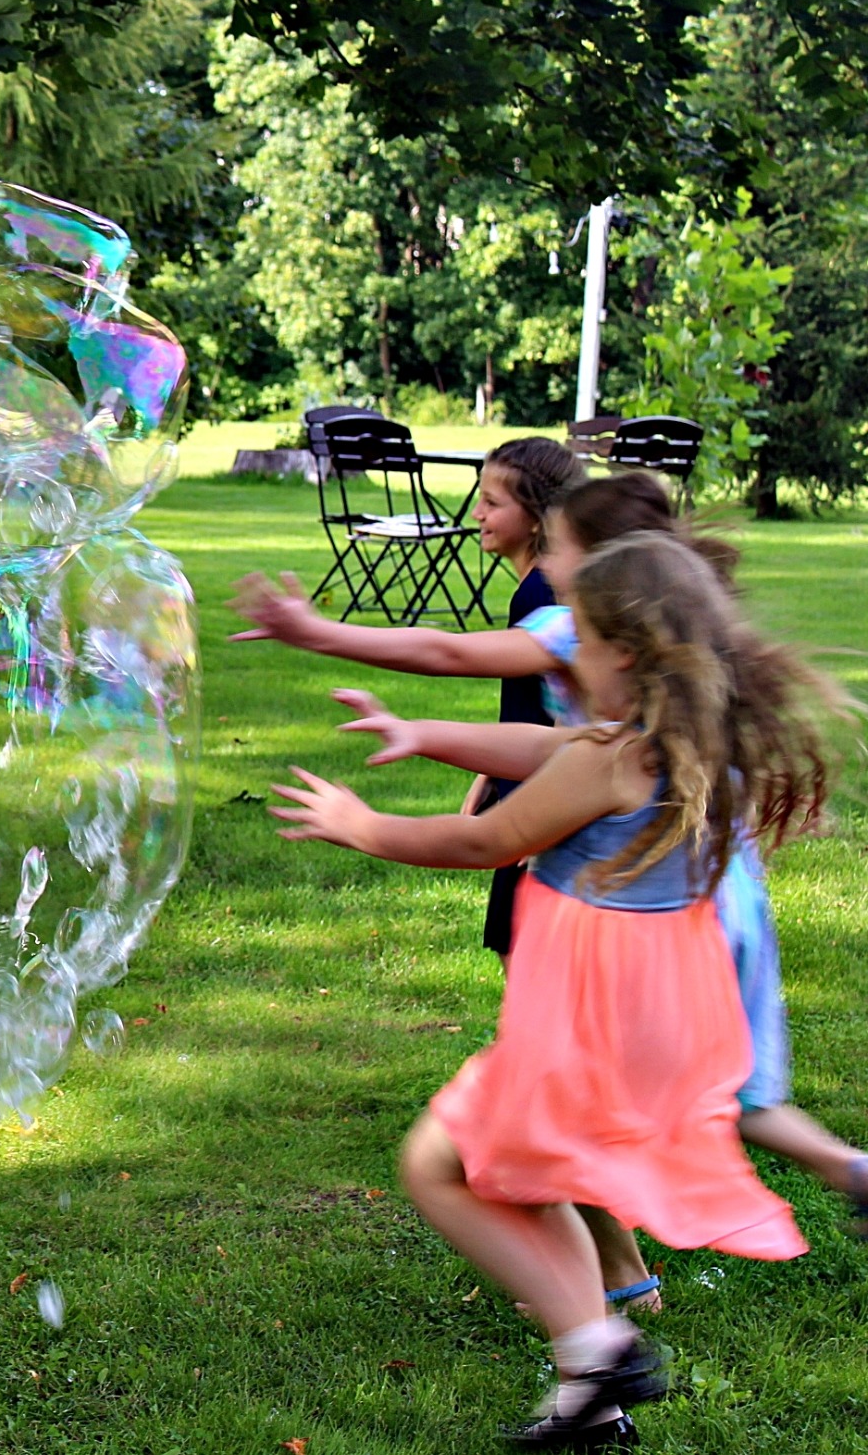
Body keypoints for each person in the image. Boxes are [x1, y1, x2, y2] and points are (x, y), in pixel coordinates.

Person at [270, 532, 835, 1449]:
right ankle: (590, 1396)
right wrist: (430, 735)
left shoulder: (610, 762)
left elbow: (484, 842)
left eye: (578, 644)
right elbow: (548, 741)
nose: (563, 664)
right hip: (662, 1017)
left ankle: (597, 1346)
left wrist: (360, 824)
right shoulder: (694, 745)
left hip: (590, 1021)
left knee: (438, 1166)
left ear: (623, 655)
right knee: (531, 1179)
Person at [233, 436, 584, 961]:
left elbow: (449, 653)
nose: (476, 512)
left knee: (536, 970)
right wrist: (488, 770)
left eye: (492, 501)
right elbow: (541, 716)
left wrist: (317, 633)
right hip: (538, 783)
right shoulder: (551, 604)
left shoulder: (548, 601)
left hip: (554, 809)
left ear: (538, 517)